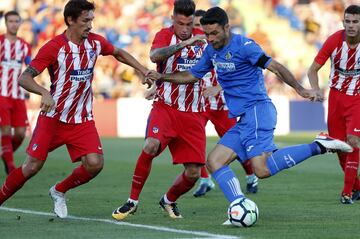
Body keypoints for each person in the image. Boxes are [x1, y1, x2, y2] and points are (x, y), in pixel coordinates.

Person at [147, 6, 353, 223]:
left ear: (227, 27)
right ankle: (239, 204)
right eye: (206, 34)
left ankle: (318, 145)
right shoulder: (211, 50)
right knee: (215, 161)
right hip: (244, 118)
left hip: (258, 111)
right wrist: (162, 77)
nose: (209, 38)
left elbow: (275, 66)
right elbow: (191, 74)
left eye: (214, 33)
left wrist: (300, 90)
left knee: (261, 170)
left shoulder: (245, 46)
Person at [0, 0, 151, 218]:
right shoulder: (54, 47)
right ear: (70, 20)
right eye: (85, 21)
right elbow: (25, 77)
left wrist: (143, 69)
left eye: (92, 20)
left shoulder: (95, 43)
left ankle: (59, 190)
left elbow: (118, 52)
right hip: (53, 118)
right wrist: (44, 92)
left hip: (81, 119)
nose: (90, 25)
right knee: (31, 167)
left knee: (94, 164)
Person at [112, 0, 208, 220]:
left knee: (193, 173)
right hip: (165, 107)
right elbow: (155, 56)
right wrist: (185, 44)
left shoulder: (204, 38)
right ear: (173, 18)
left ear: (194, 20)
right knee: (151, 145)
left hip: (193, 112)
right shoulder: (165, 35)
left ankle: (168, 200)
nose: (185, 28)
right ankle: (132, 201)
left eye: (189, 23)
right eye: (180, 23)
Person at [192, 9, 258, 197]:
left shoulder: (219, 45)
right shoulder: (193, 46)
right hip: (201, 104)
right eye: (195, 26)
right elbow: (187, 73)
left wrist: (218, 88)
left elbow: (234, 72)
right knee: (196, 143)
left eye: (199, 26)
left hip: (222, 105)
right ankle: (205, 180)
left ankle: (251, 175)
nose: (197, 30)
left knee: (236, 147)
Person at [307, 4, 360, 204]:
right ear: (343, 22)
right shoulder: (334, 41)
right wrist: (315, 89)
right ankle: (357, 187)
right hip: (336, 99)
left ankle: (346, 193)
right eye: (348, 21)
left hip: (357, 99)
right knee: (339, 147)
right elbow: (312, 70)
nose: (351, 26)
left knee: (353, 141)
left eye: (355, 22)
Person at [0, 11, 31, 175]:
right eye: (10, 21)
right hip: (1, 93)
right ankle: (11, 167)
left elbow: (31, 67)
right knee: (5, 130)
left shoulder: (25, 46)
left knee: (20, 134)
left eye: (16, 21)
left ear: (20, 23)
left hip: (18, 95)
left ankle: (5, 154)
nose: (13, 24)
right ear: (6, 23)